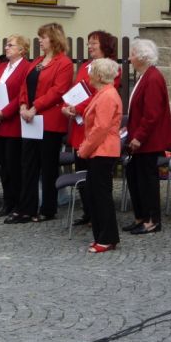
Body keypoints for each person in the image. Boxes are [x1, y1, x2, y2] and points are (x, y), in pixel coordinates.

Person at [12, 23, 73, 223]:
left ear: (54, 39)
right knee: (28, 164)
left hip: (49, 121)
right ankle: (27, 207)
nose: (40, 40)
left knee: (47, 166)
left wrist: (34, 107)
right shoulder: (37, 61)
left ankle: (48, 208)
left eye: (43, 37)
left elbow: (57, 91)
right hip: (30, 119)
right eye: (40, 37)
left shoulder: (63, 63)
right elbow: (24, 84)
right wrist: (22, 105)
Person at [61, 30, 120, 226]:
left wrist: (77, 108)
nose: (90, 46)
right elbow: (76, 92)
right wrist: (67, 106)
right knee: (81, 170)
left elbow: (99, 97)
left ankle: (98, 213)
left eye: (94, 43)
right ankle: (87, 211)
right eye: (89, 43)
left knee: (96, 175)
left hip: (95, 126)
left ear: (104, 45)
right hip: (79, 125)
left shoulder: (111, 69)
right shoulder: (85, 67)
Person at [124, 38, 171, 235]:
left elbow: (151, 114)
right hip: (139, 138)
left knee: (147, 181)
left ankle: (152, 220)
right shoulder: (144, 76)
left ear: (143, 57)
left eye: (132, 54)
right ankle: (141, 217)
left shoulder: (153, 78)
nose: (129, 58)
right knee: (134, 178)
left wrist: (139, 137)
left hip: (147, 141)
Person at [77, 59, 122, 253]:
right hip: (100, 149)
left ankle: (106, 238)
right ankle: (102, 236)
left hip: (103, 150)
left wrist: (85, 149)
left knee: (101, 195)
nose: (89, 76)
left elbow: (100, 128)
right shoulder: (103, 93)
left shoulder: (107, 96)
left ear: (100, 76)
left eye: (92, 72)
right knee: (95, 194)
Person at [0, 35, 30, 220]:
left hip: (13, 122)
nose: (7, 47)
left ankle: (18, 203)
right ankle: (7, 201)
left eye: (11, 45)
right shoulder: (1, 67)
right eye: (7, 45)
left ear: (22, 49)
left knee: (14, 165)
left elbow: (21, 94)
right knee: (3, 165)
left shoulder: (25, 68)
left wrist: (4, 112)